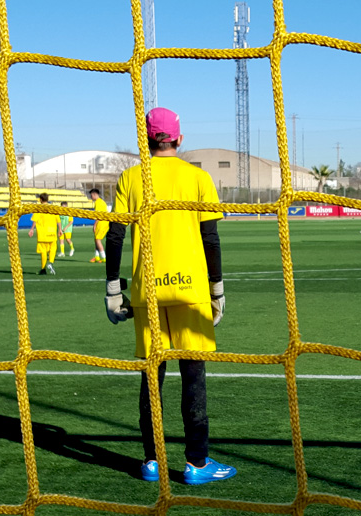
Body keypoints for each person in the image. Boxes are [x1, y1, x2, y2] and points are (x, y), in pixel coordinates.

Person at [103, 107, 236, 485]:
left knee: (152, 376)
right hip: (191, 290)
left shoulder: (131, 177)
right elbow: (210, 238)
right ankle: (196, 463)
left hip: (148, 291)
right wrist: (218, 289)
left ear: (146, 139)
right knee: (193, 377)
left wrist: (114, 288)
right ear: (179, 138)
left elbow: (115, 236)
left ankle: (151, 460)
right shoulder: (198, 178)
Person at [28, 193, 61, 275]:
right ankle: (51, 262)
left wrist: (31, 229)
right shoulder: (53, 208)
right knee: (53, 248)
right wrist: (60, 229)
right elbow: (58, 220)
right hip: (52, 233)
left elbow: (35, 220)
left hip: (42, 234)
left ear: (41, 200)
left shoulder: (39, 208)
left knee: (43, 252)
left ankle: (43, 269)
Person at [89, 188, 108, 263]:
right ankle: (96, 256)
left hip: (102, 223)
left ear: (94, 194)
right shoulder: (101, 202)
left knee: (98, 240)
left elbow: (99, 215)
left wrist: (95, 225)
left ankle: (104, 257)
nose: (91, 197)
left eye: (91, 195)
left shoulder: (98, 202)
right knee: (96, 240)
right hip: (104, 222)